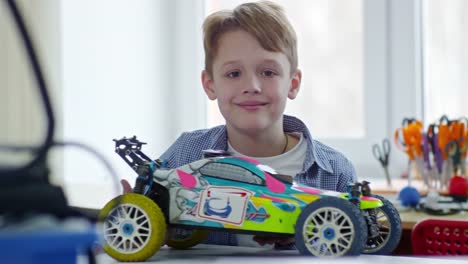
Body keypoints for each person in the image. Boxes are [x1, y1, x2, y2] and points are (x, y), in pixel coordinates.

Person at [123, 0, 356, 249]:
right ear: (210, 84)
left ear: (293, 83)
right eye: (234, 74)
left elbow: (358, 249)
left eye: (268, 72)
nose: (252, 86)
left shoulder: (335, 172)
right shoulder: (185, 154)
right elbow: (155, 231)